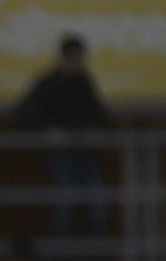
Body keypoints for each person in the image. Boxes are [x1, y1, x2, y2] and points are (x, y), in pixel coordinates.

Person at [14, 33, 111, 237]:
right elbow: (22, 111)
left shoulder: (84, 81)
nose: (79, 61)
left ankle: (96, 252)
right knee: (63, 203)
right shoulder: (49, 83)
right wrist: (47, 130)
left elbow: (98, 112)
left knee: (96, 202)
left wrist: (96, 129)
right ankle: (62, 251)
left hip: (85, 150)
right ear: (66, 57)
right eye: (75, 57)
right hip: (62, 152)